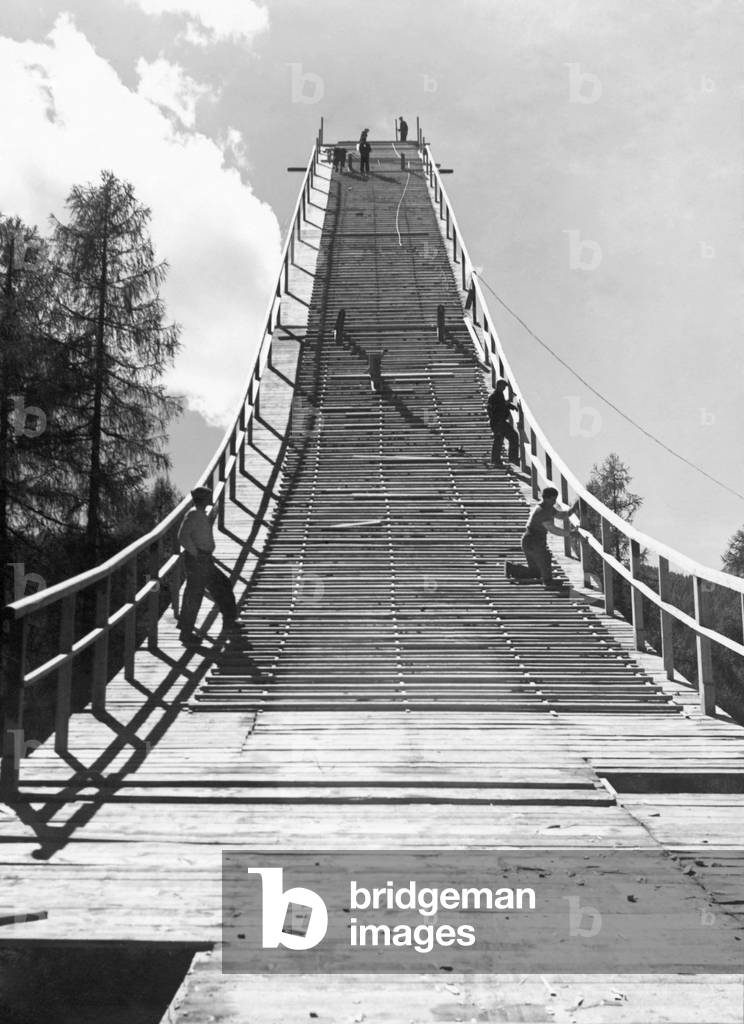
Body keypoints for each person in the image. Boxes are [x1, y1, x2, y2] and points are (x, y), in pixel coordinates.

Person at [177, 486, 237, 646]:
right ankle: (186, 634)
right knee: (195, 595)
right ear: (202, 498)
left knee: (220, 586)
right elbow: (182, 536)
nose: (211, 498)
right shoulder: (193, 514)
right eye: (208, 496)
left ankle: (229, 621)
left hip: (203, 559)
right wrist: (195, 553)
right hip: (198, 560)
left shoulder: (199, 514)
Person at [505, 488, 579, 589]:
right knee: (545, 558)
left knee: (535, 572)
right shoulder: (543, 511)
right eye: (553, 499)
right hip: (534, 540)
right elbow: (553, 530)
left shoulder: (546, 507)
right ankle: (548, 582)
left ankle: (512, 569)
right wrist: (570, 533)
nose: (554, 502)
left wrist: (572, 510)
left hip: (527, 540)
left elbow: (560, 515)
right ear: (546, 498)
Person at [487, 379, 520, 466]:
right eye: (503, 386)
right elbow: (498, 407)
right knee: (512, 436)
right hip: (498, 422)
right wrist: (509, 401)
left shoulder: (499, 395)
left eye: (505, 387)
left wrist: (510, 406)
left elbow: (502, 404)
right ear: (498, 386)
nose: (504, 388)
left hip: (498, 422)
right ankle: (511, 458)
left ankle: (496, 460)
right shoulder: (494, 396)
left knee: (499, 440)